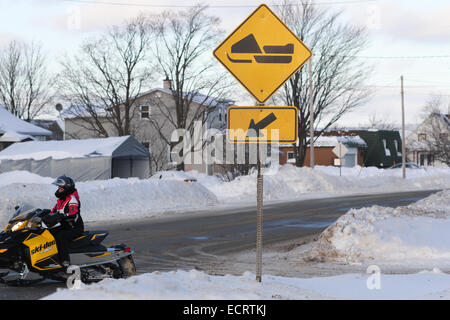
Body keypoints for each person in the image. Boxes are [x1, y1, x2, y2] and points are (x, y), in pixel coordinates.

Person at [43, 175, 84, 266]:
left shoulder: (72, 199)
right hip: (65, 226)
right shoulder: (61, 200)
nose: (58, 189)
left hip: (74, 227)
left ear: (66, 188)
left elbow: (73, 211)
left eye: (60, 188)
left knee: (61, 237)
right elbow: (53, 212)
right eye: (58, 188)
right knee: (46, 233)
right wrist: (42, 214)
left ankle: (65, 261)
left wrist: (63, 216)